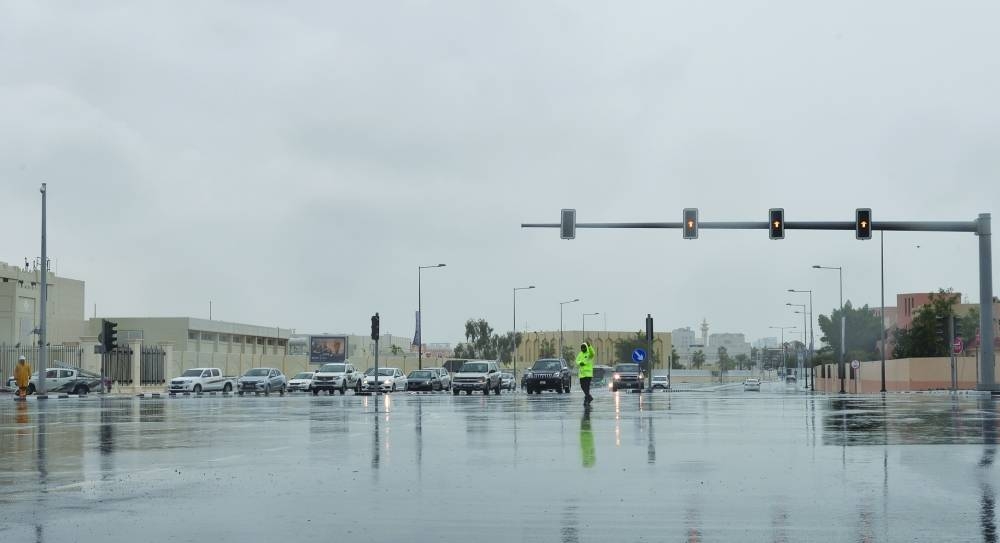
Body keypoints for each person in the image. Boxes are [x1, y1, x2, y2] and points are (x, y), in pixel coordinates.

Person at [576, 342, 595, 406]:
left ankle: (586, 399)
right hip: (582, 374)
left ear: (586, 347)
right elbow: (577, 360)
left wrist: (589, 346)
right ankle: (589, 397)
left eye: (584, 347)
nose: (583, 349)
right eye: (582, 348)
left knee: (587, 387)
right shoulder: (580, 354)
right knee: (582, 386)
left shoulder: (589, 353)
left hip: (588, 374)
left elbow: (593, 353)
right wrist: (580, 363)